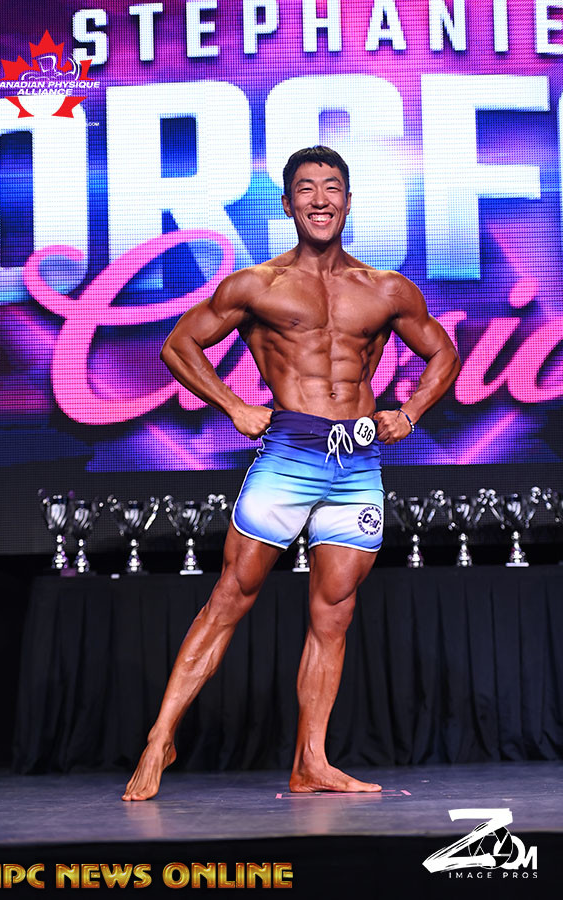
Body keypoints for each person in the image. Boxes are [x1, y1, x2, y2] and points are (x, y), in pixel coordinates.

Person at [122, 146, 460, 800]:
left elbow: (442, 351)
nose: (320, 199)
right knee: (232, 595)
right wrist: (233, 405)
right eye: (306, 188)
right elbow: (179, 344)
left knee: (334, 613)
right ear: (286, 204)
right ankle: (160, 738)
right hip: (289, 454)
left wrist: (412, 412)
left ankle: (311, 762)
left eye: (332, 188)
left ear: (349, 202)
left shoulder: (386, 289)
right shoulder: (258, 285)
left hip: (358, 461)